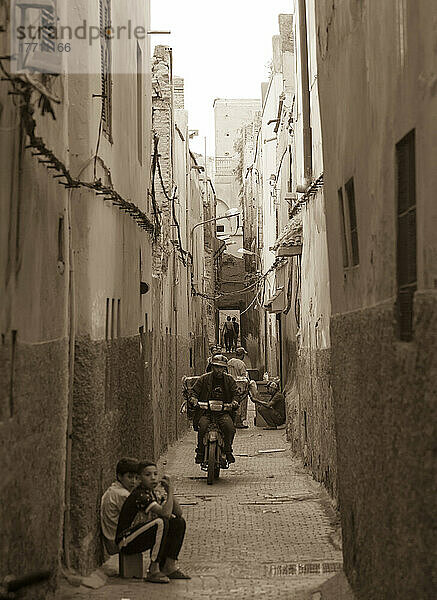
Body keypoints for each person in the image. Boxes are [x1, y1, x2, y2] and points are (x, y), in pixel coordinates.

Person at [116, 461, 190, 583]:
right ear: (139, 478)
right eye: (148, 475)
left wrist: (169, 491)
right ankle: (154, 569)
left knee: (178, 522)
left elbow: (178, 512)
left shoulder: (153, 493)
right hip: (125, 541)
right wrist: (170, 492)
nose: (153, 478)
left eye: (155, 474)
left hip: (139, 535)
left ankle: (169, 566)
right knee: (161, 522)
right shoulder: (140, 495)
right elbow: (165, 513)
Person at [189, 354, 239, 464]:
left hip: (223, 413)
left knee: (230, 428)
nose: (219, 370)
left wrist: (234, 402)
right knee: (202, 427)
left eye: (221, 367)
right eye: (216, 367)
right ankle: (200, 452)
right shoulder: (204, 379)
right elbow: (194, 391)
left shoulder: (229, 380)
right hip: (206, 412)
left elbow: (236, 393)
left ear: (224, 368)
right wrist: (194, 399)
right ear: (212, 367)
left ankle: (228, 450)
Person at [100, 457, 140, 555]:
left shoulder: (113, 489)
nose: (133, 482)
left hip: (112, 539)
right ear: (120, 476)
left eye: (136, 478)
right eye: (130, 477)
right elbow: (137, 520)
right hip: (116, 542)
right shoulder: (122, 495)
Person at [227, 347, 249, 429]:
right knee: (241, 404)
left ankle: (232, 421)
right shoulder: (241, 364)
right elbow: (243, 377)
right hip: (239, 386)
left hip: (229, 385)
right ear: (242, 355)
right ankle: (239, 422)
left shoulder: (229, 362)